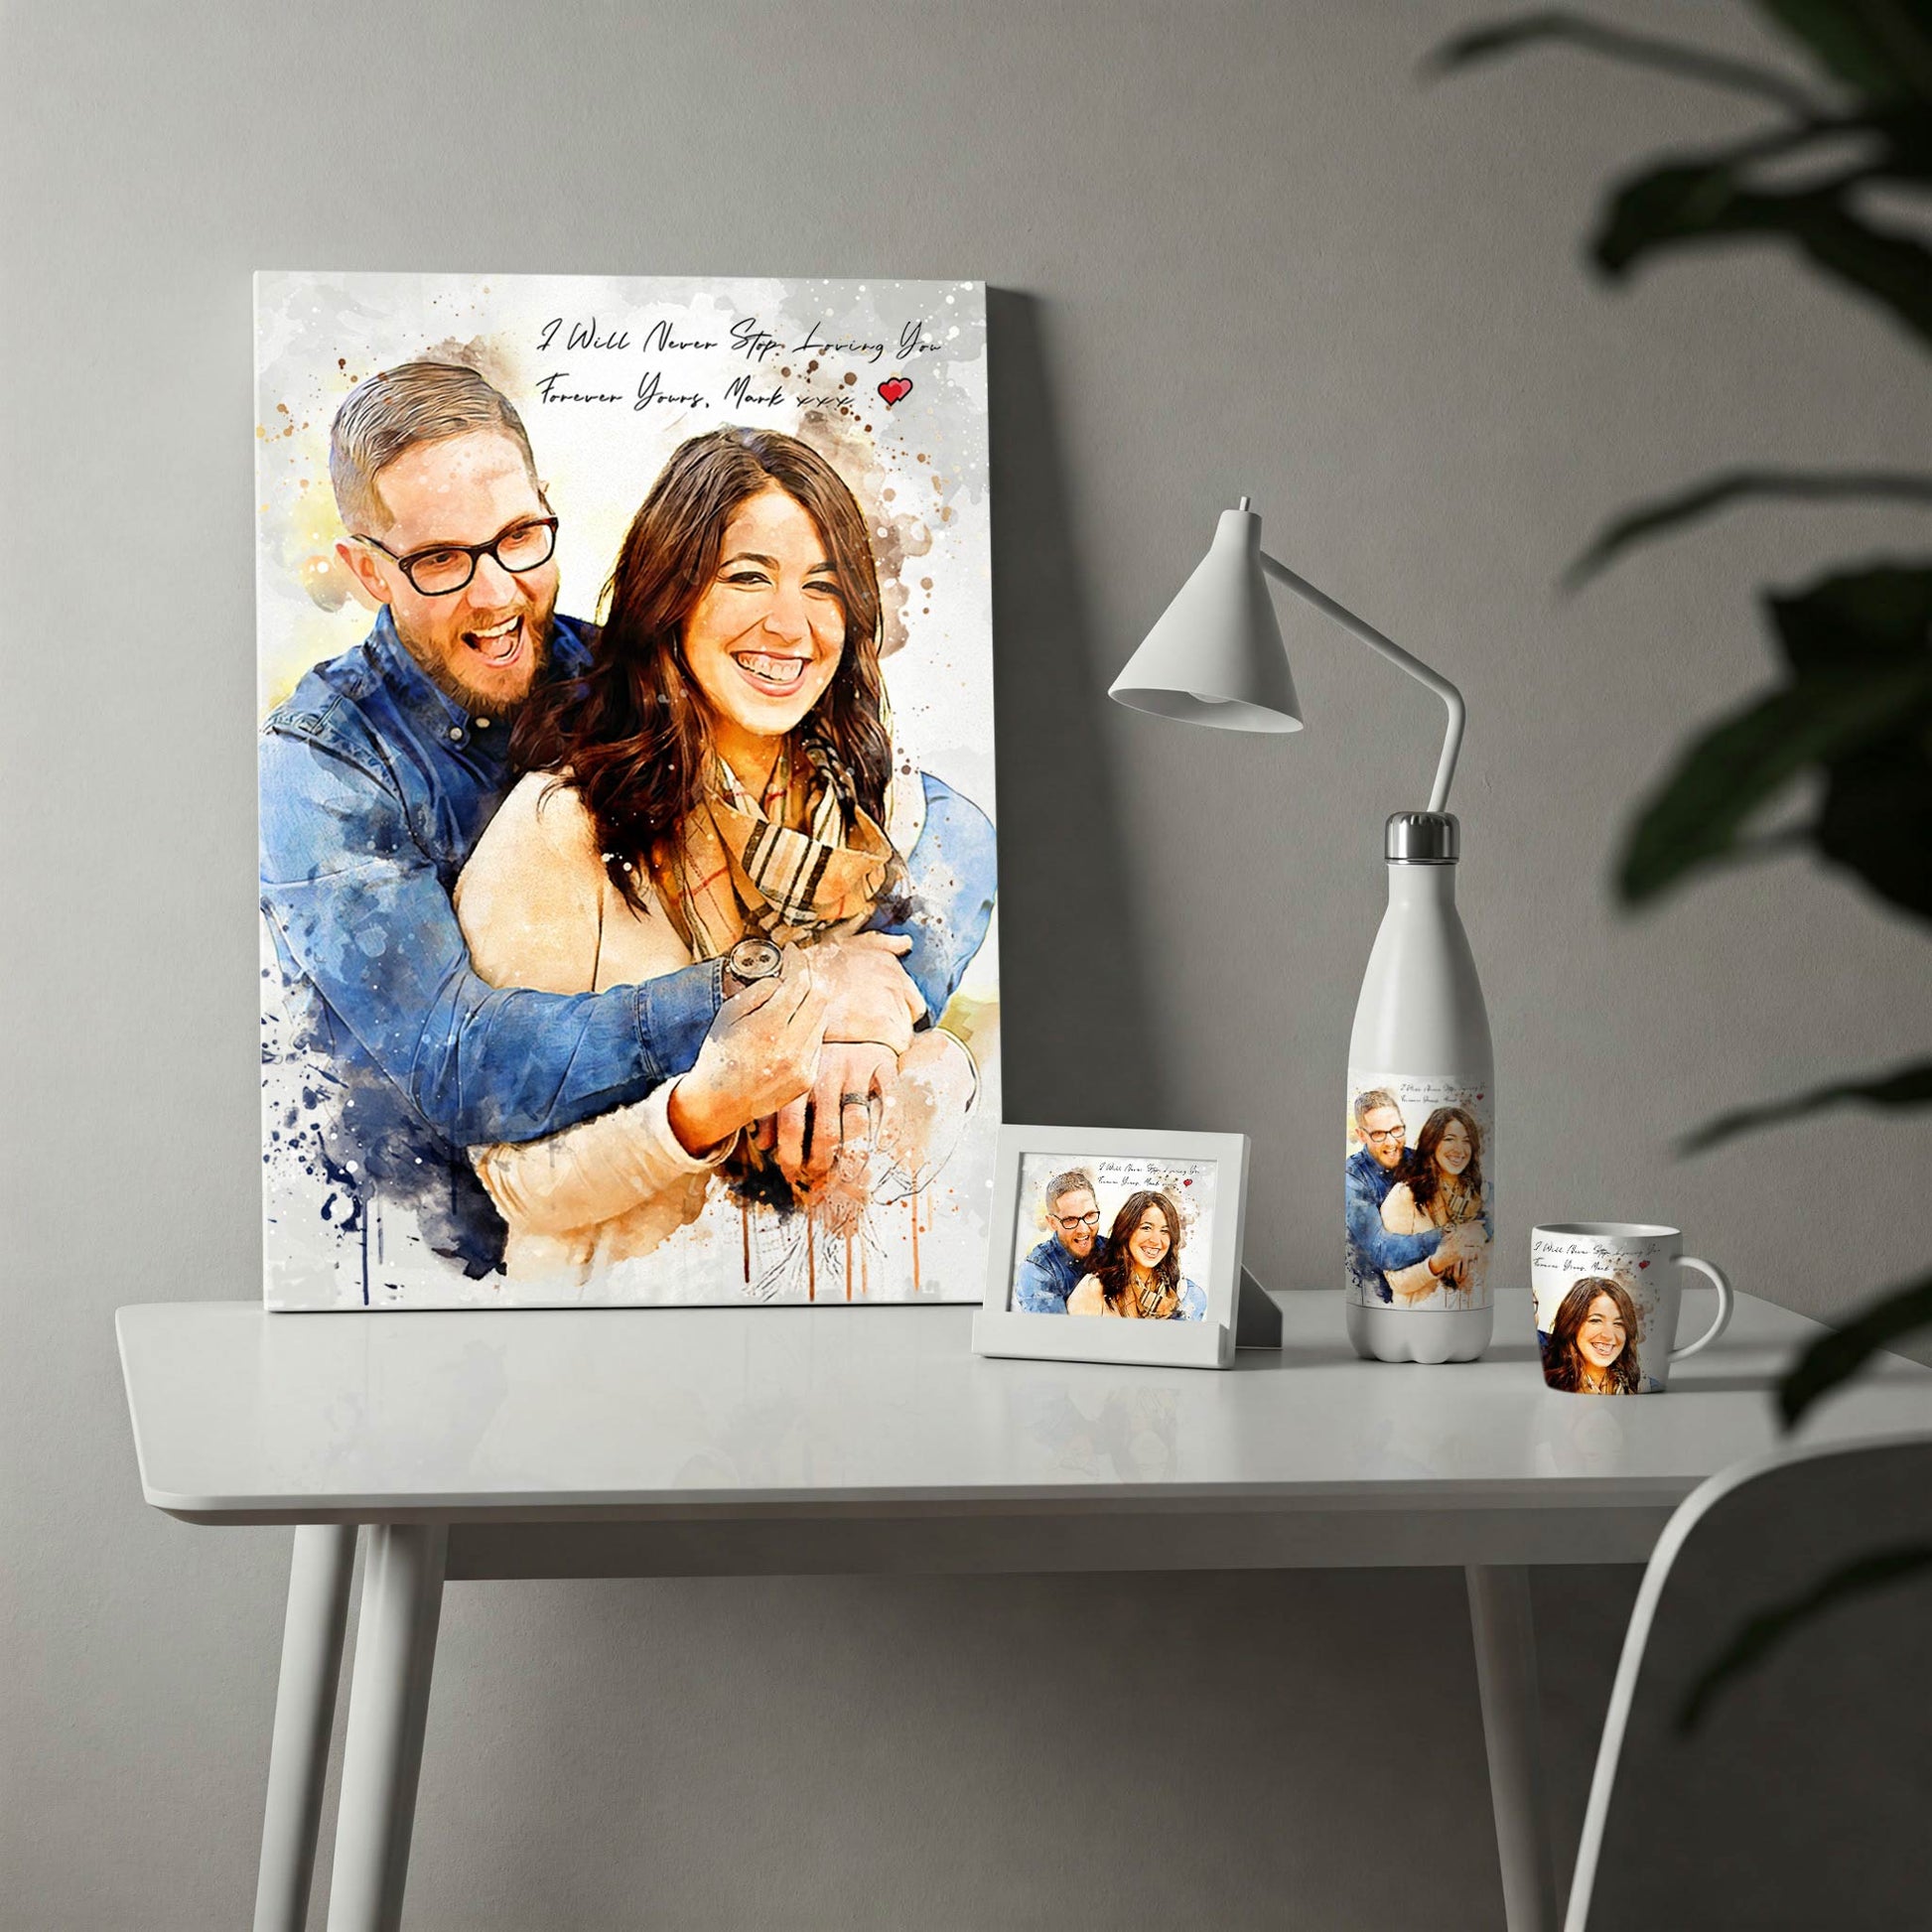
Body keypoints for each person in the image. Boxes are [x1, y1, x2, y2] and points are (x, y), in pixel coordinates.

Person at [259, 363, 994, 1286]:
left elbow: (953, 829)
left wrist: (873, 1016)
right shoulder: (321, 768)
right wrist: (778, 998)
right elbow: (458, 1062)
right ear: (369, 568)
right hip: (415, 1252)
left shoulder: (629, 674)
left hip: (673, 1246)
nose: (497, 594)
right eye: (440, 559)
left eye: (520, 537)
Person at [452, 427, 994, 1285]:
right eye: (748, 576)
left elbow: (925, 1097)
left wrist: (912, 1060)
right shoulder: (562, 828)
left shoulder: (883, 821)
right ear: (670, 594)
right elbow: (513, 1178)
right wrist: (700, 1110)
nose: (790, 625)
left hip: (829, 1309)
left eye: (823, 586)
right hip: (622, 1321)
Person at [1345, 1089, 1482, 1305]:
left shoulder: (1420, 1161)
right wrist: (1450, 1236)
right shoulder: (1353, 1177)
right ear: (1361, 1135)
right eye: (1379, 1134)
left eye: (1397, 1130)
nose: (1392, 1142)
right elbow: (1381, 1249)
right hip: (1375, 1295)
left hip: (1433, 1295)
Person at [1377, 1106, 1491, 1308]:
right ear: (1432, 1142)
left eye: (1466, 1141)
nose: (1459, 1149)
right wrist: (1437, 1262)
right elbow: (1394, 1279)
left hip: (1465, 1311)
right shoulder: (1405, 1195)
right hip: (1416, 1314)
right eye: (1449, 1139)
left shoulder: (1479, 1196)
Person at [1067, 1190, 1204, 1320]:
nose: (1156, 1241)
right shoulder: (1093, 1289)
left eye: (1164, 1231)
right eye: (1146, 1228)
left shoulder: (1184, 1292)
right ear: (1126, 1231)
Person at [1014, 1169, 1108, 1313]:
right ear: (1052, 1223)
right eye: (1070, 1220)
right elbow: (1056, 1328)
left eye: (1089, 1215)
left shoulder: (1114, 1250)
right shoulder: (1037, 1272)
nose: (1083, 1229)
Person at [1541, 1276, 1653, 1394]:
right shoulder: (1546, 1382)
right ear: (1571, 1324)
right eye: (1596, 1320)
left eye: (1618, 1323)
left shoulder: (1642, 1385)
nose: (1608, 1335)